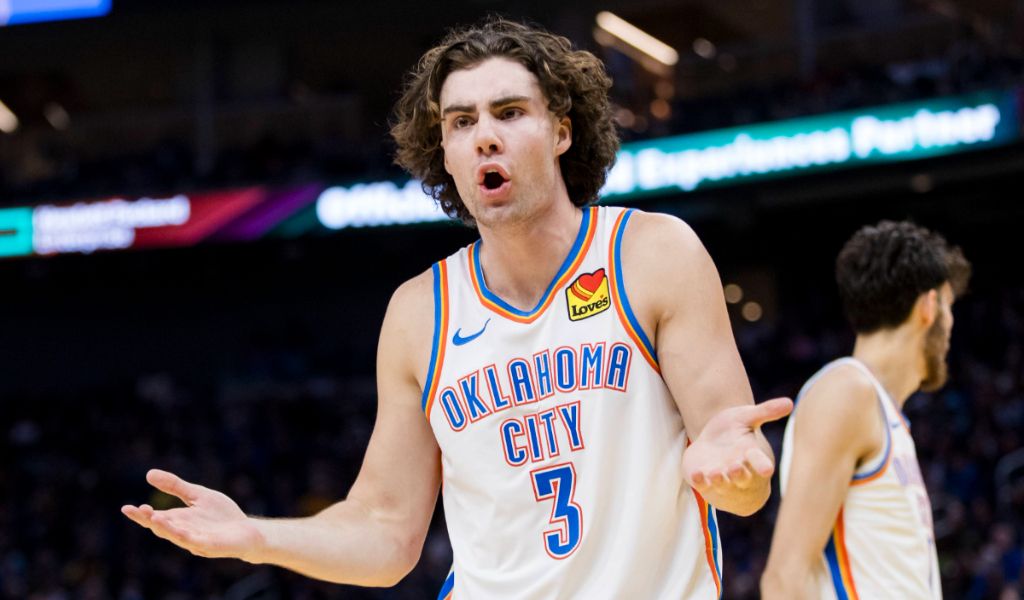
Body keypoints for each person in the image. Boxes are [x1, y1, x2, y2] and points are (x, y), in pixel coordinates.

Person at [123, 18, 791, 598]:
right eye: (461, 122)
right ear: (443, 150)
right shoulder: (420, 314)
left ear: (561, 130)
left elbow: (742, 481)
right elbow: (385, 532)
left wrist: (731, 473)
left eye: (509, 112)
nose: (485, 137)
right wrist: (253, 537)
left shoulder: (651, 254)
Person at [760, 220, 971, 599]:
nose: (952, 325)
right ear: (930, 306)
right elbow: (784, 579)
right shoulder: (847, 391)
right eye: (950, 308)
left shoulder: (882, 410)